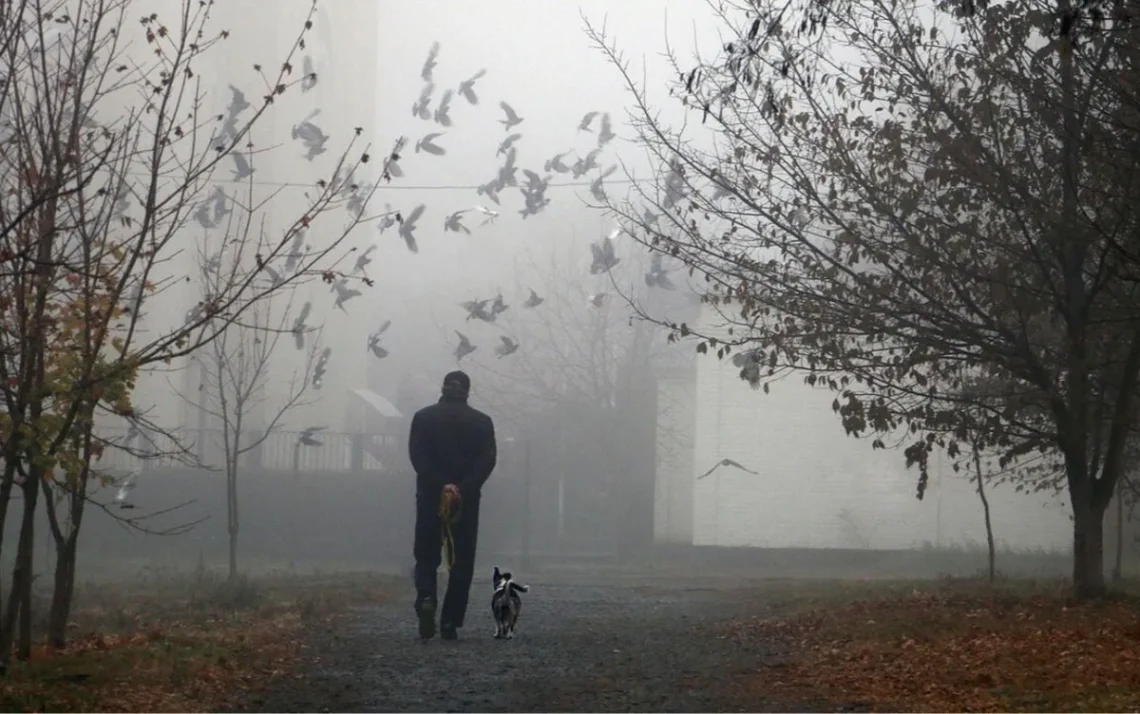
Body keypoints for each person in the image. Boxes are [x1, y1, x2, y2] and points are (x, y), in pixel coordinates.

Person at [407, 369, 497, 640]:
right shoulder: (482, 422)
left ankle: (426, 597)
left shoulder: (423, 418)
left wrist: (440, 484)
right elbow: (487, 461)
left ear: (443, 388)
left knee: (426, 556)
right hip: (466, 502)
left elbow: (418, 458)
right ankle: (450, 621)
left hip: (430, 498)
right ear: (467, 391)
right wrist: (463, 488)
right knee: (462, 560)